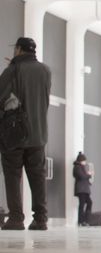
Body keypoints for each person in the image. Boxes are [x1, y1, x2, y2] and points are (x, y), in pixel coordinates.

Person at [0, 37, 51, 230]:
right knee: (38, 177)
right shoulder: (45, 70)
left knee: (13, 175)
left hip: (15, 133)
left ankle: (16, 218)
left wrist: (11, 69)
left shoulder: (13, 70)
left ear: (19, 49)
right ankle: (41, 219)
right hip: (39, 133)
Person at [73, 152, 93, 227]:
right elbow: (82, 177)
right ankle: (82, 221)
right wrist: (89, 175)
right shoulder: (77, 167)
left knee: (87, 203)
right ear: (81, 160)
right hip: (81, 189)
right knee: (83, 204)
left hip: (83, 189)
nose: (85, 162)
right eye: (84, 160)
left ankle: (84, 220)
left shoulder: (80, 167)